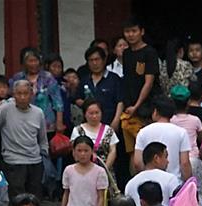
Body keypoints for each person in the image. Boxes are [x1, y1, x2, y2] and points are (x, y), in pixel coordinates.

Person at [0, 80, 48, 200]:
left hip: (34, 160)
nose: (22, 97)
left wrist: (44, 155)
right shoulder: (6, 109)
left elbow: (42, 138)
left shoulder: (38, 113)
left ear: (31, 94)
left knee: (35, 198)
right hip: (13, 160)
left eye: (25, 93)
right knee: (16, 198)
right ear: (14, 95)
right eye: (19, 94)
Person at [120, 18, 160, 163]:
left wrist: (136, 105)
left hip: (147, 107)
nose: (130, 35)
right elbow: (127, 79)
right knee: (133, 150)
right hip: (130, 107)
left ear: (141, 32)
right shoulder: (126, 54)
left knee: (150, 147)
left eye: (134, 31)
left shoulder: (149, 52)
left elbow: (149, 83)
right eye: (127, 32)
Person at [9, 48, 65, 137]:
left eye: (36, 60)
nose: (33, 64)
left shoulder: (47, 77)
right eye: (30, 61)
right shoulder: (18, 78)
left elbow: (58, 102)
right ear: (24, 63)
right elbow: (11, 99)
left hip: (46, 122)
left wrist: (59, 122)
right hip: (23, 122)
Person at [134, 97, 192, 183]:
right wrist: (188, 183)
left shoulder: (143, 132)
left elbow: (137, 163)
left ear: (155, 112)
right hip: (175, 182)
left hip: (149, 184)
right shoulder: (181, 132)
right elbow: (185, 163)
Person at [76, 45, 123, 135]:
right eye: (91, 60)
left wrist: (116, 120)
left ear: (104, 60)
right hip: (90, 126)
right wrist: (86, 104)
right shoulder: (85, 80)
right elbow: (77, 98)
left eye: (97, 59)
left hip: (109, 123)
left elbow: (120, 101)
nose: (94, 63)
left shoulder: (114, 79)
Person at [124, 141, 180, 206]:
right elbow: (178, 205)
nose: (167, 161)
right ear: (156, 158)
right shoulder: (170, 179)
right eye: (165, 157)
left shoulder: (131, 184)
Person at [169, 85, 202, 193]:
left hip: (175, 161)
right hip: (193, 158)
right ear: (188, 102)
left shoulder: (170, 120)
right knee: (197, 192)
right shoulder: (196, 120)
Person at [72, 98, 119, 176]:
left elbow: (113, 151)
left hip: (105, 172)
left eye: (97, 113)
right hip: (83, 172)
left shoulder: (109, 130)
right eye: (91, 113)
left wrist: (104, 169)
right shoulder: (78, 130)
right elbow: (74, 151)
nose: (94, 116)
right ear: (85, 114)